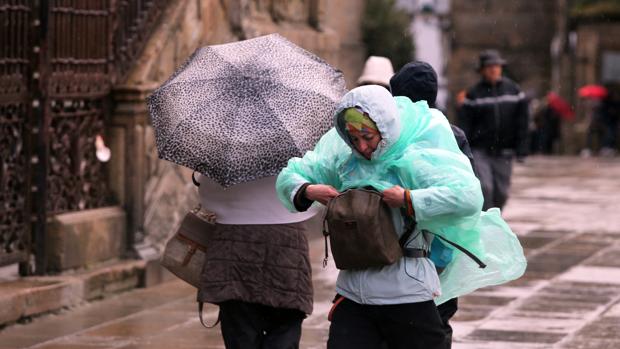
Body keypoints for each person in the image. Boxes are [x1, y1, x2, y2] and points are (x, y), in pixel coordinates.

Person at [276, 85, 483, 349]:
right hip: (353, 294)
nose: (361, 146)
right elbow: (288, 177)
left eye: (367, 136)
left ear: (384, 128)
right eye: (353, 138)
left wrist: (409, 199)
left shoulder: (414, 159)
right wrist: (308, 190)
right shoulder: (343, 160)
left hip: (407, 294)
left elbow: (468, 196)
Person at [390, 60, 475, 349]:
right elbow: (469, 191)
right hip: (442, 248)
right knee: (438, 320)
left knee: (398, 322)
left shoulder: (392, 135)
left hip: (399, 247)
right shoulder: (451, 134)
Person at [196, 174, 318, 349]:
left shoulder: (227, 158)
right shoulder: (296, 159)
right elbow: (312, 198)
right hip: (285, 244)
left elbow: (207, 198)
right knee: (284, 324)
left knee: (241, 328)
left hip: (235, 246)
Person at [457, 49, 529, 210]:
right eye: (490, 66)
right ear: (482, 70)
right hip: (480, 150)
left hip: (505, 151)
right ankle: (486, 221)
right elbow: (465, 124)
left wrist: (522, 147)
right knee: (485, 188)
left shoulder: (514, 91)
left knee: (502, 193)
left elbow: (523, 121)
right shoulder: (473, 94)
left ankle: (495, 218)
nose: (494, 69)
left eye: (497, 66)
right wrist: (463, 149)